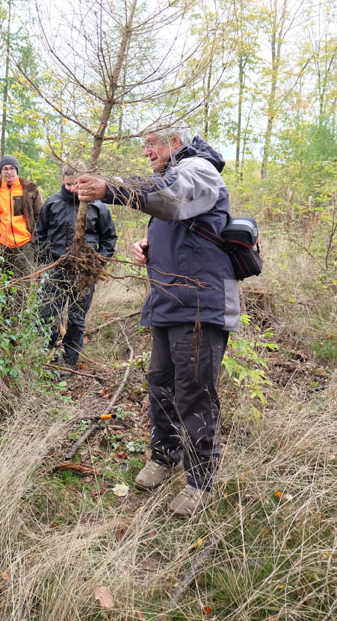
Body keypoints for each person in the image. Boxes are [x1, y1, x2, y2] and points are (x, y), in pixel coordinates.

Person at [77, 124, 240, 518]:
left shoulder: (198, 168)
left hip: (200, 305)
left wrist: (110, 188)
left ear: (175, 143)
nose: (146, 151)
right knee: (161, 386)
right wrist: (150, 248)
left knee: (194, 392)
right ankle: (164, 457)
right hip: (170, 304)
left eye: (152, 143)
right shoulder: (174, 172)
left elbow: (170, 198)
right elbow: (184, 230)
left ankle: (200, 480)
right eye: (144, 145)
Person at [36, 160, 117, 368]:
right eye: (69, 184)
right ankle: (49, 359)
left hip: (84, 273)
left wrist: (97, 263)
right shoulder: (52, 204)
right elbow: (40, 234)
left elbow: (109, 238)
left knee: (76, 319)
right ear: (63, 181)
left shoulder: (98, 206)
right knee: (46, 315)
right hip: (55, 269)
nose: (73, 189)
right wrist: (46, 259)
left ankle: (69, 363)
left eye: (77, 184)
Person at [0, 155, 43, 304]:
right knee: (3, 286)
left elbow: (41, 216)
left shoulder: (30, 189)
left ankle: (19, 322)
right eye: (5, 169)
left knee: (23, 287)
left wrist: (34, 239)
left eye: (12, 168)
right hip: (1, 246)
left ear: (17, 170)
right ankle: (5, 321)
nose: (8, 172)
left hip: (25, 245)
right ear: (1, 171)